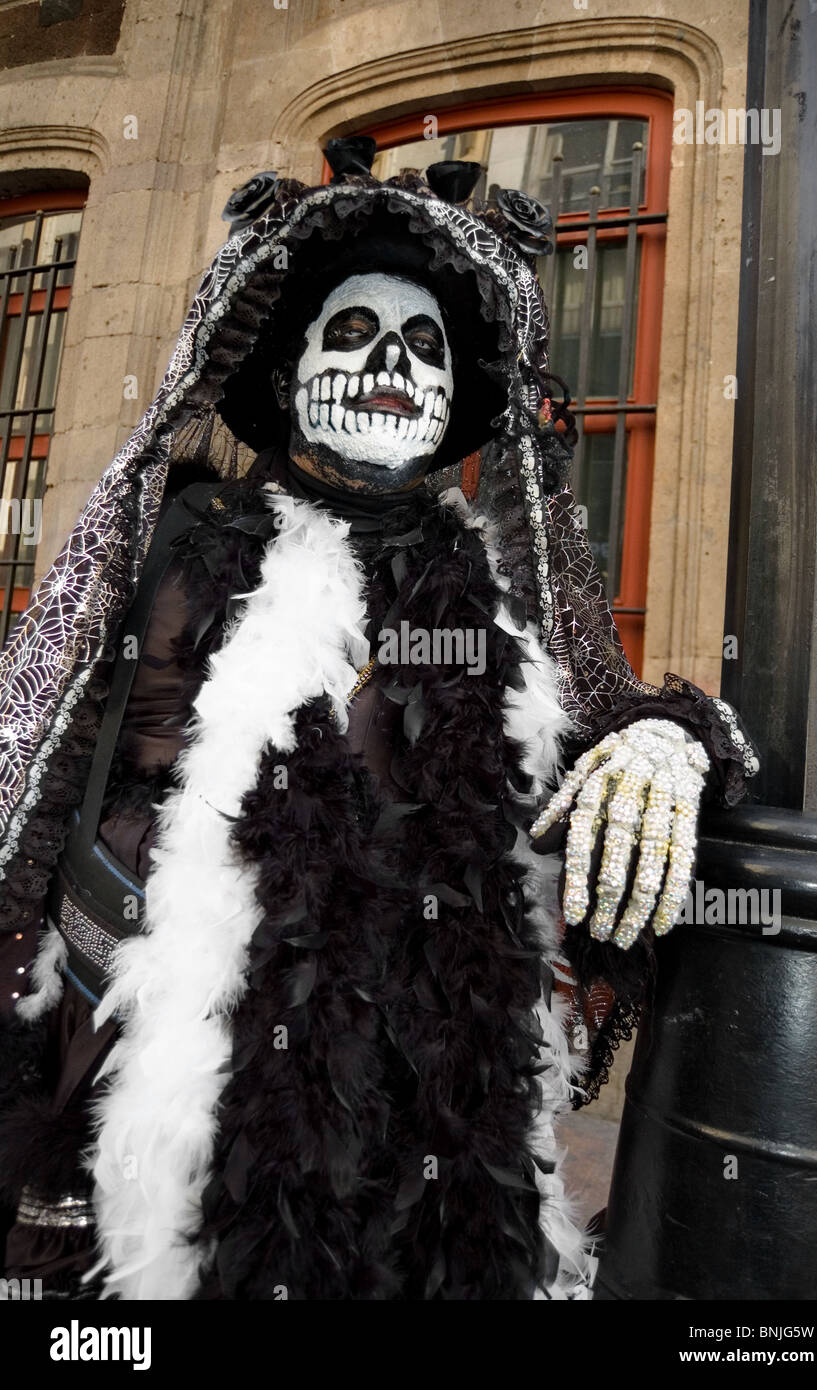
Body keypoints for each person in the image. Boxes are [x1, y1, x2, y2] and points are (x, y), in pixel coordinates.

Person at [0, 140, 757, 1300]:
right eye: (354, 333)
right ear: (295, 363)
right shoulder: (171, 542)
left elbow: (606, 709)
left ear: (456, 395)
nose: (391, 366)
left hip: (421, 1088)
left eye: (422, 347)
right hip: (157, 1064)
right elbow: (34, 741)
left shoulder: (504, 592)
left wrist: (664, 742)